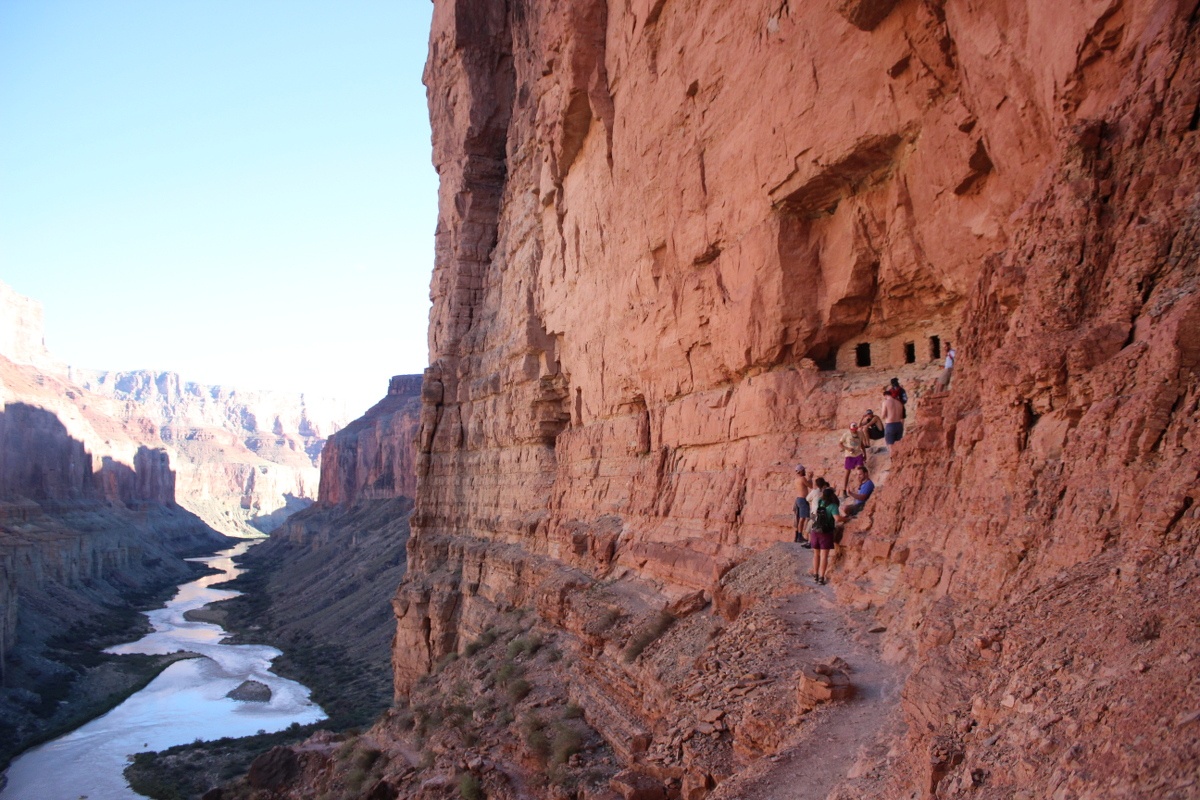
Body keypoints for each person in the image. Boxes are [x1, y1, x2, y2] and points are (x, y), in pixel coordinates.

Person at [811, 486, 841, 585]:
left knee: (816, 554)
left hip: (815, 531)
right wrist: (846, 519)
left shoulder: (819, 502)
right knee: (824, 556)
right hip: (826, 532)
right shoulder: (833, 506)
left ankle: (815, 575)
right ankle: (821, 578)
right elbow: (837, 519)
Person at [801, 476, 828, 549]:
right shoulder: (824, 492)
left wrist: (811, 501)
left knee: (811, 527)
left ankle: (810, 542)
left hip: (814, 511)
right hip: (823, 512)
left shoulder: (815, 491)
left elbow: (807, 498)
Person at [840, 422, 866, 493]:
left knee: (860, 471)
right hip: (849, 455)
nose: (854, 431)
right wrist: (847, 448)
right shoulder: (846, 434)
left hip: (858, 454)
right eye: (852, 429)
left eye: (855, 429)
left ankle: (860, 486)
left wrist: (865, 454)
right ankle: (844, 490)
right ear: (850, 429)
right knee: (847, 472)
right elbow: (840, 444)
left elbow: (862, 444)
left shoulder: (860, 433)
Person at [792, 464, 812, 543]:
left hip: (798, 499)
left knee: (798, 518)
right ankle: (800, 536)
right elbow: (810, 486)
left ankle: (797, 536)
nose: (805, 472)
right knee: (802, 518)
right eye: (803, 470)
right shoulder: (802, 478)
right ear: (801, 471)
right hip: (803, 500)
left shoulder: (796, 479)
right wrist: (810, 478)